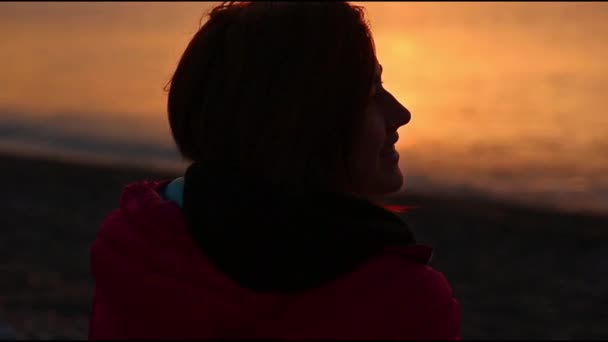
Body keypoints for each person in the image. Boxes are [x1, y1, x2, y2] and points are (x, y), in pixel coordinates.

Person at [88, 1, 461, 339]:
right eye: (370, 91)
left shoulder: (136, 245)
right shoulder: (403, 301)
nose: (401, 113)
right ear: (303, 121)